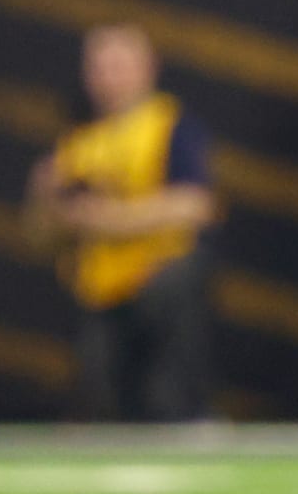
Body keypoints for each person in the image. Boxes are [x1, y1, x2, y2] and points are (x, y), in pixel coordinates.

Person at [24, 24, 218, 422]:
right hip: (100, 291)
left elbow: (196, 205)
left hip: (158, 281)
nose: (110, 78)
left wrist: (107, 220)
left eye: (121, 66)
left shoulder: (168, 124)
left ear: (148, 69)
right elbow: (40, 239)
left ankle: (189, 416)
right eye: (100, 67)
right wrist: (43, 198)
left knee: (178, 291)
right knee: (100, 402)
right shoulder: (77, 145)